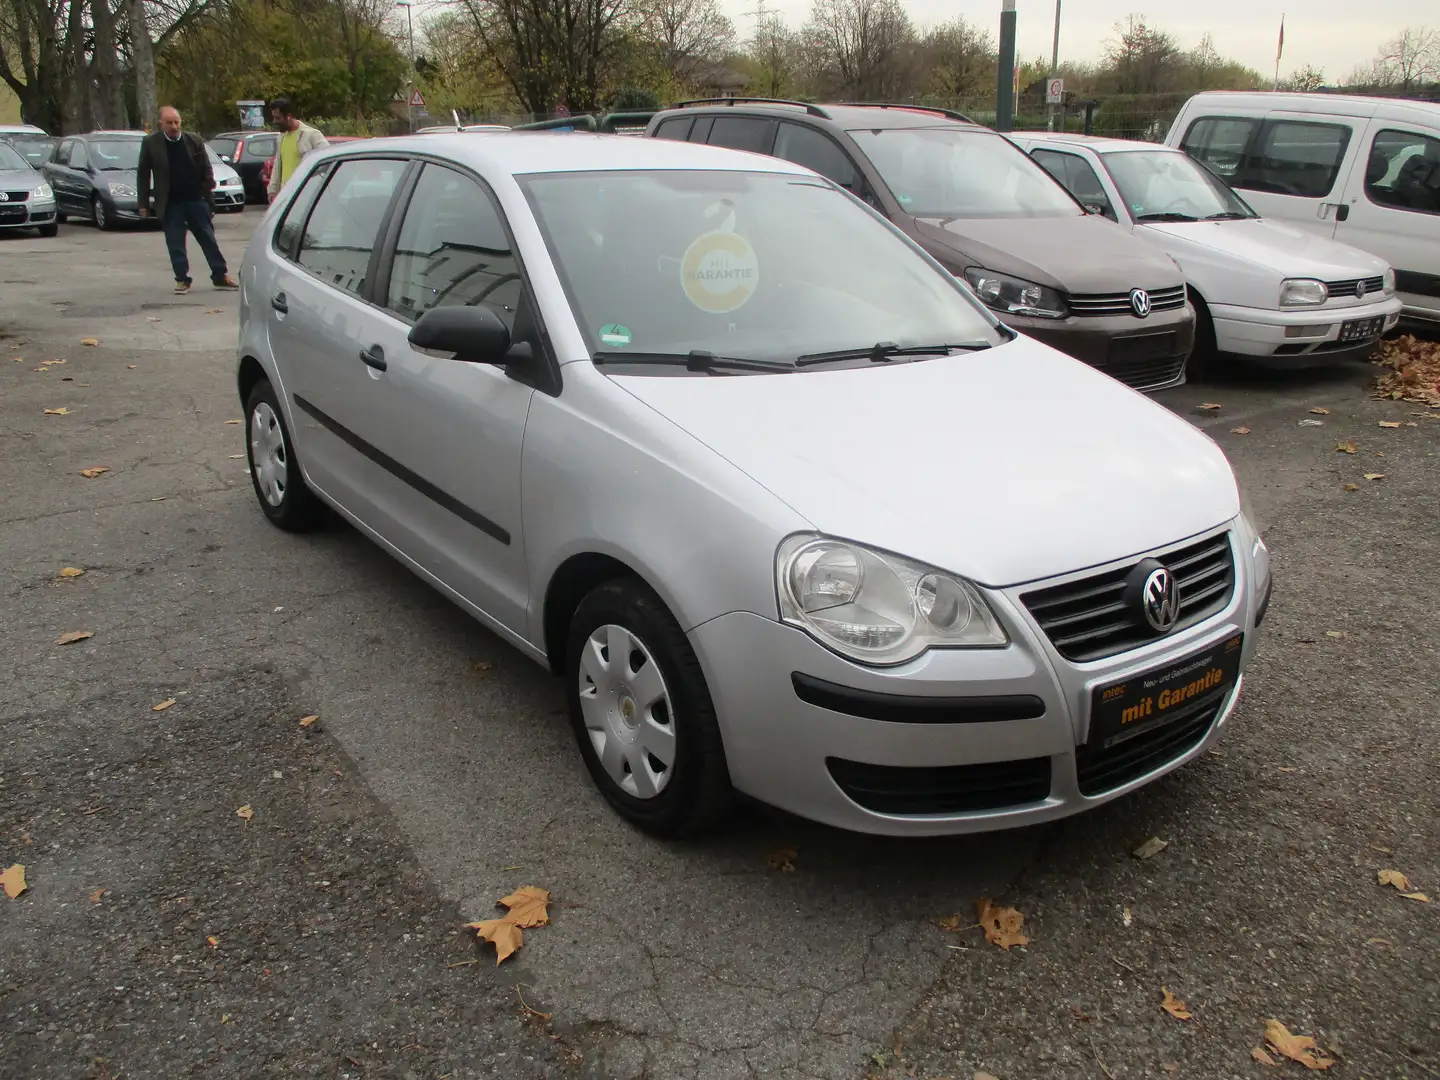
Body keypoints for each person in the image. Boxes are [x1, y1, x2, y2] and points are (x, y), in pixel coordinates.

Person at [136, 106, 238, 294]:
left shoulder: (194, 141)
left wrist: (206, 196)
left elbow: (207, 169)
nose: (174, 127)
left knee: (208, 238)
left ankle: (220, 275)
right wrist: (143, 203)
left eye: (177, 122)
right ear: (161, 124)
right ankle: (182, 279)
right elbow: (143, 174)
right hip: (171, 202)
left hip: (195, 199)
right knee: (175, 243)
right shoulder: (152, 143)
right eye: (169, 123)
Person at [267, 98, 328, 199]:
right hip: (286, 196)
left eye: (278, 118)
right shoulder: (281, 138)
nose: (274, 121)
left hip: (305, 195)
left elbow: (327, 162)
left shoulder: (311, 135)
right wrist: (272, 190)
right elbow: (278, 165)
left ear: (289, 116)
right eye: (274, 117)